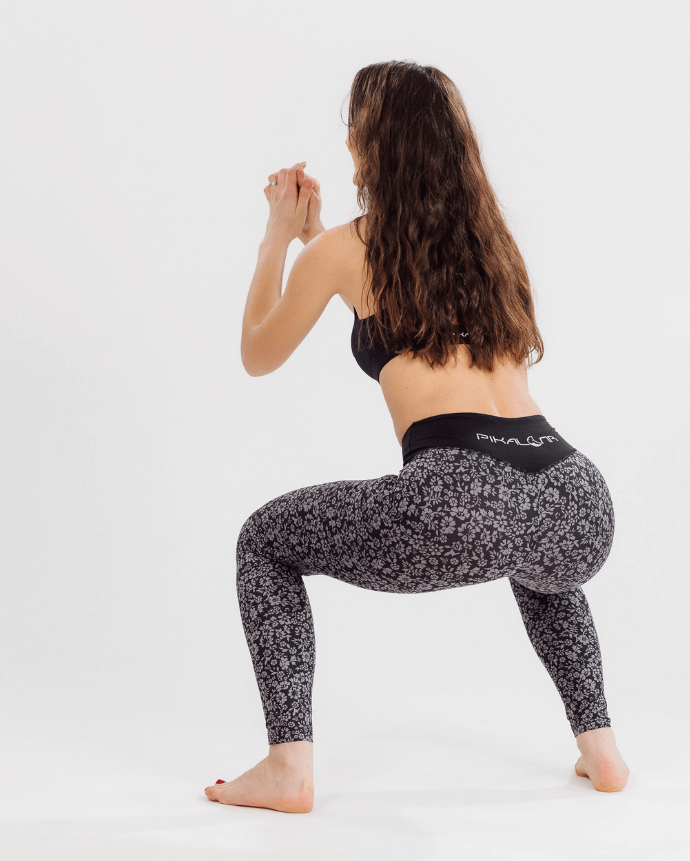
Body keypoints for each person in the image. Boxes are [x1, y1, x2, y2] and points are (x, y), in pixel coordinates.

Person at [205, 60, 629, 814]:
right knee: (538, 563)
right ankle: (603, 752)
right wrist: (316, 241)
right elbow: (394, 305)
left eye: (354, 129)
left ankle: (287, 767)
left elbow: (257, 353)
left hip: (463, 494)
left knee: (264, 541)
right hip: (575, 496)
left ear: (374, 144)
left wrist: (279, 238)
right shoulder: (491, 249)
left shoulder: (346, 248)